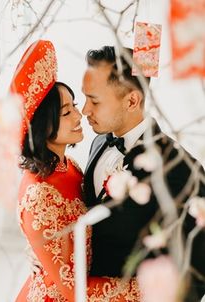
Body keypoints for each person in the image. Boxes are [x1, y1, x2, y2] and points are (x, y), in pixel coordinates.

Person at [10, 40, 140, 302]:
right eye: (67, 111)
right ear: (43, 125)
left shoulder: (71, 166)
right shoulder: (39, 195)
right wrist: (145, 290)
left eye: (75, 105)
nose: (79, 116)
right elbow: (74, 288)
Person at [81, 46, 205, 301]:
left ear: (131, 101)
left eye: (94, 100)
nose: (84, 110)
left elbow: (196, 270)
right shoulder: (98, 143)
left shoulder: (180, 169)